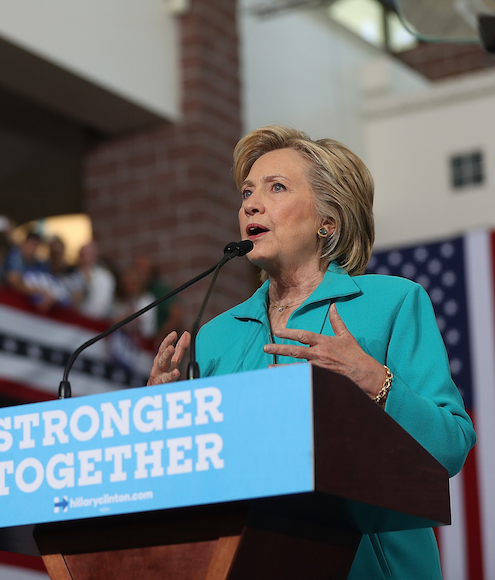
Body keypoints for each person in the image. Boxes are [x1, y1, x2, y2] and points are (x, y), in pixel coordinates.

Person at [147, 125, 475, 580]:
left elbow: (450, 448)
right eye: (246, 193)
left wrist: (373, 380)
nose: (250, 205)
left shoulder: (391, 303)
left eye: (275, 187)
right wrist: (159, 422)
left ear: (328, 221)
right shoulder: (215, 337)